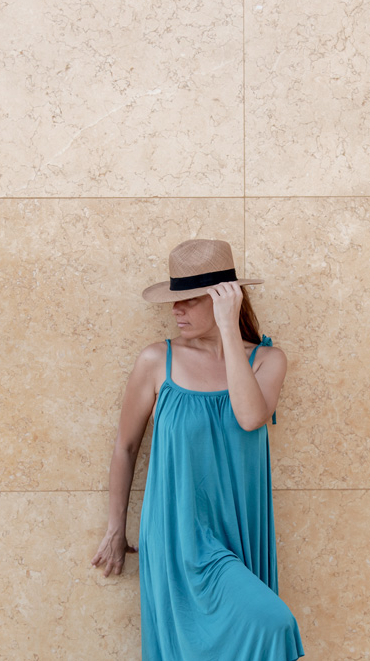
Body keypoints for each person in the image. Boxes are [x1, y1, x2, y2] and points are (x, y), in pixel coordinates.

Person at [91, 239, 304, 660]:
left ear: (225, 298)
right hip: (177, 533)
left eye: (189, 299)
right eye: (175, 300)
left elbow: (249, 417)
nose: (176, 310)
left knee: (268, 629)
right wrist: (116, 528)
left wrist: (229, 329)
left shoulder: (267, 360)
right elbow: (126, 445)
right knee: (245, 632)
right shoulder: (156, 361)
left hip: (240, 528)